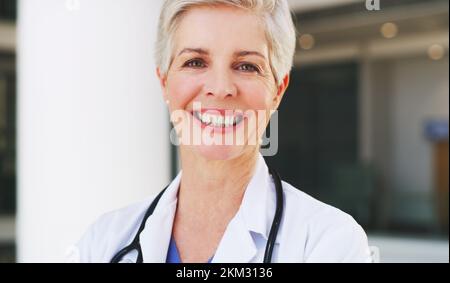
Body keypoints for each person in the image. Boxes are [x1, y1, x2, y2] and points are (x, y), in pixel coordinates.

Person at [69, 0, 372, 263]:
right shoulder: (104, 242)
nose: (220, 88)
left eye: (247, 66)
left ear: (277, 91)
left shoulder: (328, 242)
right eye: (195, 61)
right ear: (164, 82)